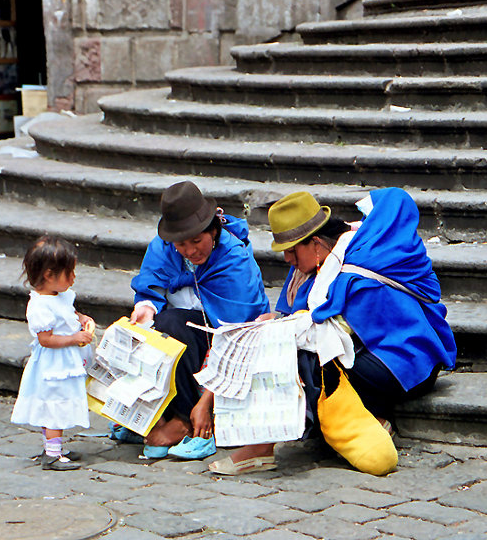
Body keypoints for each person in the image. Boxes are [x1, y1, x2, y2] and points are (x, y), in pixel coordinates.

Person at [209, 187, 457, 475]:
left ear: (315, 243)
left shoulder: (357, 271)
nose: (287, 259)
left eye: (291, 250)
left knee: (306, 361)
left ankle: (262, 446)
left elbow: (330, 331)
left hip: (406, 365)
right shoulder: (315, 261)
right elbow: (295, 313)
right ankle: (368, 420)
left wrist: (281, 328)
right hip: (371, 358)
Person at [130, 181, 270, 455]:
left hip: (228, 348)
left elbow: (237, 335)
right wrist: (146, 307)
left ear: (214, 232)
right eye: (181, 244)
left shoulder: (233, 260)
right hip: (185, 336)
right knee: (152, 328)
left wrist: (206, 401)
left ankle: (186, 419)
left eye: (197, 241)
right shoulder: (162, 249)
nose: (191, 251)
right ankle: (159, 414)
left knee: (173, 324)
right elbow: (150, 288)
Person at [11, 235, 95, 471]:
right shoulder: (40, 306)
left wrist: (81, 319)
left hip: (65, 360)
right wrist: (73, 338)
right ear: (49, 275)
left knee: (58, 403)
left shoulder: (59, 296)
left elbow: (69, 312)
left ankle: (53, 447)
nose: (73, 278)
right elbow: (45, 339)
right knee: (55, 404)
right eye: (69, 273)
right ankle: (53, 453)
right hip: (54, 365)